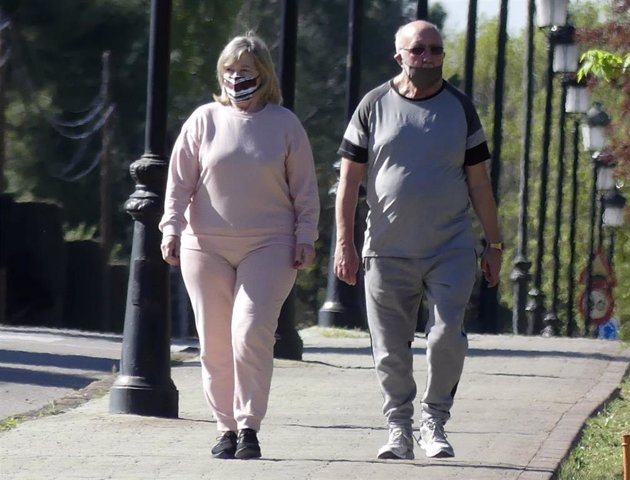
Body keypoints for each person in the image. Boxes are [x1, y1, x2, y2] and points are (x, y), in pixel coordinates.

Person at [334, 20, 502, 460]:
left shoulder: (460, 109)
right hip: (386, 250)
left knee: (447, 334)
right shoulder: (373, 106)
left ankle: (435, 421)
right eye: (419, 51)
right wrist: (344, 244)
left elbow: (480, 184)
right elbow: (349, 184)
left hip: (451, 247)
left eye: (435, 51)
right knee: (390, 348)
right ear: (400, 57)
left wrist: (495, 245)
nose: (428, 58)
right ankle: (398, 428)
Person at [159, 33, 320, 460]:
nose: (236, 79)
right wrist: (170, 228)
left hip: (269, 245)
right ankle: (224, 428)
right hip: (205, 246)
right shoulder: (203, 120)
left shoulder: (284, 124)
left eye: (245, 71)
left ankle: (249, 426)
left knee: (249, 333)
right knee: (214, 341)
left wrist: (306, 236)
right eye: (229, 71)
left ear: (263, 75)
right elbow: (178, 183)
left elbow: (305, 190)